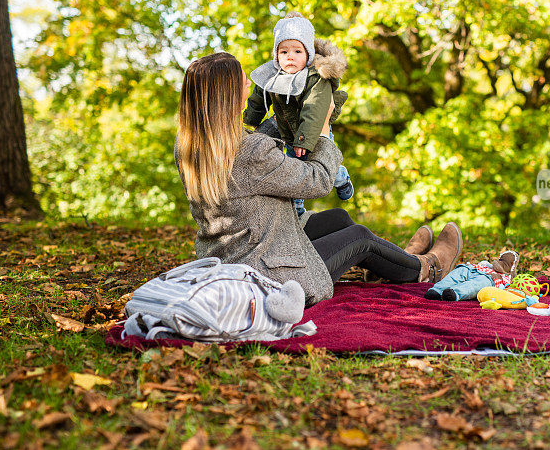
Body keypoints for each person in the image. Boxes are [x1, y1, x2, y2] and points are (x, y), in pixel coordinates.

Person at [175, 52, 463, 306]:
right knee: (360, 238)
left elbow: (253, 161)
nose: (250, 85)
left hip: (234, 253)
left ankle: (392, 261)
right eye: (243, 82)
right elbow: (320, 180)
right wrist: (322, 128)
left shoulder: (192, 145)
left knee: (338, 220)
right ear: (227, 96)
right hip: (269, 275)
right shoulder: (249, 152)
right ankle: (426, 267)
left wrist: (290, 113)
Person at [243, 12, 352, 216]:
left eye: (297, 51)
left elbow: (315, 109)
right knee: (295, 171)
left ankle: (342, 177)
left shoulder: (315, 77)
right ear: (276, 54)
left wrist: (304, 140)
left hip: (314, 135)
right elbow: (259, 96)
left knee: (325, 166)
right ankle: (298, 208)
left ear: (308, 54)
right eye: (283, 52)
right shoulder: (274, 74)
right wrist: (251, 118)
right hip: (288, 135)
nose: (290, 56)